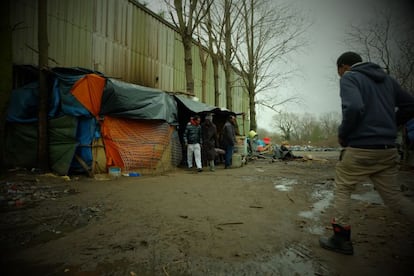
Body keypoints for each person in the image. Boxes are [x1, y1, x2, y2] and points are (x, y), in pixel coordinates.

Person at [319, 51, 414, 255]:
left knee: (343, 187)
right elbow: (410, 105)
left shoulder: (350, 77)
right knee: (394, 197)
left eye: (339, 72)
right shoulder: (387, 80)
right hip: (387, 150)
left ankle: (341, 239)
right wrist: (391, 125)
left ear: (342, 67)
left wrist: (344, 135)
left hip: (361, 147)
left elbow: (353, 107)